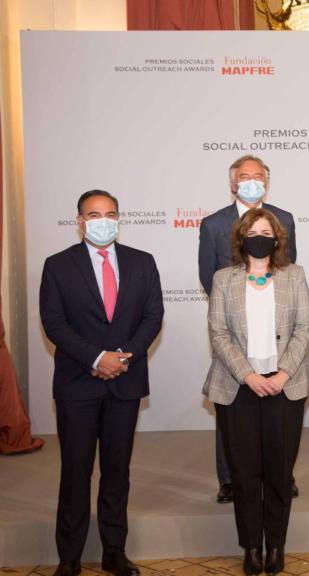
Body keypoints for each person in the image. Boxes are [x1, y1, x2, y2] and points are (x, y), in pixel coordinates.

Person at [40, 190, 164, 576]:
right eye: (94, 214)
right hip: (78, 384)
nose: (103, 220)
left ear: (119, 218)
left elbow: (152, 317)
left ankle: (114, 551)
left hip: (123, 384)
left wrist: (120, 357)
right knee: (75, 473)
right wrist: (96, 357)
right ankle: (70, 558)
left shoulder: (142, 263)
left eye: (110, 213)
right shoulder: (57, 265)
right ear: (79, 221)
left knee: (117, 472)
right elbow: (54, 323)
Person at [203, 208, 309, 576]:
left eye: (266, 231)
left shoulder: (294, 276)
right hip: (239, 388)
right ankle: (251, 547)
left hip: (286, 386)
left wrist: (282, 373)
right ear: (241, 237)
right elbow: (218, 334)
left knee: (279, 472)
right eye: (253, 231)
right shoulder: (223, 279)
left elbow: (304, 329)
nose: (260, 237)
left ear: (278, 238)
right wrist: (248, 375)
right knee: (245, 473)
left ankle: (276, 545)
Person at [199, 154, 298, 504]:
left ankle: (280, 475)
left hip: (275, 330)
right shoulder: (213, 224)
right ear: (233, 182)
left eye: (258, 176)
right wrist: (233, 317)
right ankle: (229, 479)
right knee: (230, 410)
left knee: (278, 418)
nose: (251, 181)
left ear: (267, 182)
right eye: (244, 176)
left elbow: (288, 269)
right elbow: (207, 275)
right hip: (233, 329)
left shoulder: (283, 219)